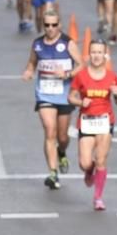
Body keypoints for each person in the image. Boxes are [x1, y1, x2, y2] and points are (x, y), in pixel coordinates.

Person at [21, 11, 82, 191]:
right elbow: (32, 62)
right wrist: (29, 71)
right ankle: (53, 173)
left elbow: (81, 64)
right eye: (46, 25)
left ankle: (62, 151)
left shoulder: (67, 43)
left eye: (53, 25)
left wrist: (68, 74)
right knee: (50, 131)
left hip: (64, 96)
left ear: (59, 25)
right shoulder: (38, 44)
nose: (50, 29)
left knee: (62, 137)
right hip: (45, 95)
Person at [69, 39, 117, 211]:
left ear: (105, 55)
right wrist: (80, 102)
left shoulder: (112, 77)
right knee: (85, 163)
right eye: (93, 52)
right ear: (89, 55)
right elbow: (71, 97)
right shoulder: (81, 76)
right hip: (86, 123)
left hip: (105, 122)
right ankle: (88, 171)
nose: (96, 56)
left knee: (101, 159)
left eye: (100, 52)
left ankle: (98, 198)